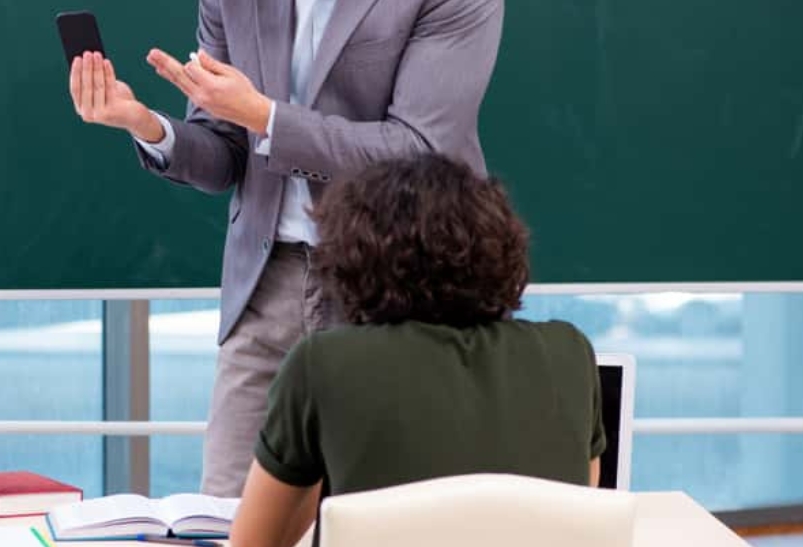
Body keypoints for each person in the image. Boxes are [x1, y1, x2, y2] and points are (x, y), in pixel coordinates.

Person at [68, 0, 504, 496]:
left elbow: (420, 150)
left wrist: (264, 114)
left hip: (396, 284)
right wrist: (146, 124)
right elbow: (225, 156)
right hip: (266, 284)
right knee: (225, 518)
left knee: (385, 522)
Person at [228, 153, 606, 547]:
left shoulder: (323, 363)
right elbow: (577, 513)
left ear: (352, 257)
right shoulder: (570, 352)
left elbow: (254, 543)